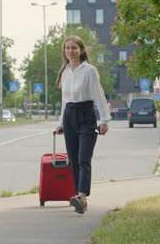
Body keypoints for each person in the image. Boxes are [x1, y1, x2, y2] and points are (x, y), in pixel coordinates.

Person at [55, 35, 111, 214]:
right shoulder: (64, 72)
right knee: (73, 160)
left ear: (81, 50)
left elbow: (98, 95)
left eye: (74, 48)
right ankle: (80, 199)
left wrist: (104, 120)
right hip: (69, 116)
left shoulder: (89, 70)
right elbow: (64, 100)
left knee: (83, 159)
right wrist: (61, 123)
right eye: (67, 48)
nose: (70, 51)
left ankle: (82, 196)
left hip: (86, 115)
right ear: (64, 51)